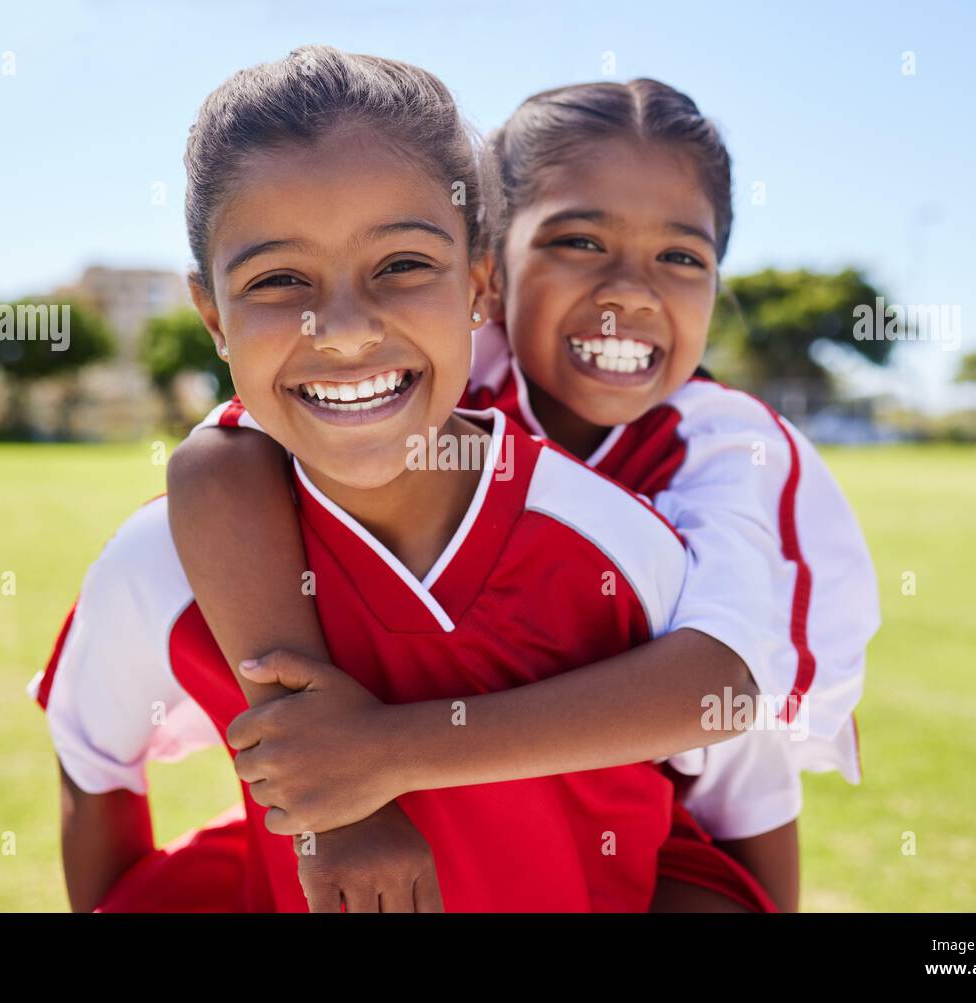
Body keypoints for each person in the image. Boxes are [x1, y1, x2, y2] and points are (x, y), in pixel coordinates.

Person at [31, 46, 775, 913]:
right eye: (278, 280)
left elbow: (746, 794)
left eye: (403, 265)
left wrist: (374, 758)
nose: (344, 330)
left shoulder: (621, 543)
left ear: (479, 284)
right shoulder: (164, 562)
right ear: (212, 317)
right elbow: (92, 759)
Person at [168, 73, 881, 911]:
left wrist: (381, 755)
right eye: (579, 241)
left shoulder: (726, 447)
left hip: (681, 820)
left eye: (682, 256)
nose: (629, 289)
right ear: (490, 279)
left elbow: (722, 689)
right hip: (481, 817)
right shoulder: (445, 368)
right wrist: (329, 770)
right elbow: (218, 459)